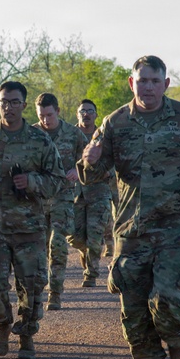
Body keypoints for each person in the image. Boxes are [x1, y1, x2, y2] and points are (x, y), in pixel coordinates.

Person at [78, 55, 180, 359]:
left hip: (175, 220)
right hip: (131, 226)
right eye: (142, 80)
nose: (149, 87)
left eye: (155, 81)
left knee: (166, 294)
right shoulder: (115, 123)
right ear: (132, 83)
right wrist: (89, 162)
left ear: (165, 84)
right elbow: (94, 173)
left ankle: (176, 346)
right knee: (133, 304)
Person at [0, 81, 63, 359]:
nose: (9, 107)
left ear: (24, 105)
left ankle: (27, 334)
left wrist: (30, 181)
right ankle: (2, 326)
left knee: (31, 286)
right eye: (4, 101)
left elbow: (56, 180)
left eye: (15, 102)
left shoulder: (40, 140)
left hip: (29, 226)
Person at [32, 93, 87, 311]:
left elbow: (88, 156)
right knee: (38, 248)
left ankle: (55, 292)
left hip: (63, 195)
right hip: (36, 197)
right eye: (41, 116)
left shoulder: (73, 134)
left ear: (58, 111)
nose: (45, 120)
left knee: (57, 244)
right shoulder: (31, 134)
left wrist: (78, 167)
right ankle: (36, 291)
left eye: (49, 115)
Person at [69, 99, 112, 289]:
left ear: (95, 114)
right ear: (77, 114)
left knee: (95, 236)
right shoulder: (69, 135)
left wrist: (111, 170)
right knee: (74, 237)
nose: (86, 114)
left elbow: (117, 154)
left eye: (90, 111)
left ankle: (91, 274)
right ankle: (86, 252)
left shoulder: (103, 135)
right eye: (82, 111)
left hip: (99, 191)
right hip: (75, 193)